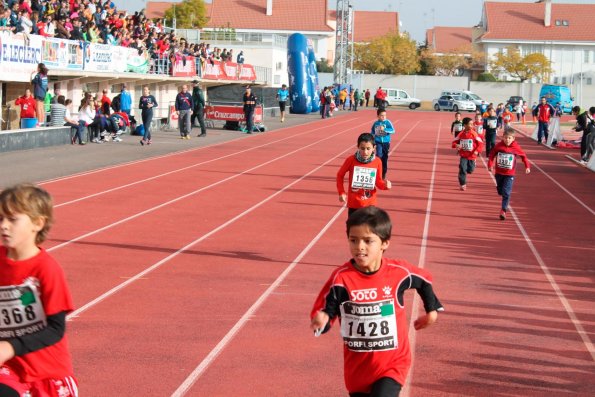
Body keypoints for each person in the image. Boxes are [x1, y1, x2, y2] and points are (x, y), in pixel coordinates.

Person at [310, 206, 443, 397]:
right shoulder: (341, 279)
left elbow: (424, 280)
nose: (359, 247)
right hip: (358, 369)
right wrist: (322, 319)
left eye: (367, 241)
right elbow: (327, 308)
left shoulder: (398, 272)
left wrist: (432, 311)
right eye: (353, 240)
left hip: (392, 364)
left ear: (384, 243)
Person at [0, 184, 78, 397]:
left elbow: (55, 329)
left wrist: (10, 346)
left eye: (13, 220)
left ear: (37, 223)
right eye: (0, 219)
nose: (4, 226)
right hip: (9, 367)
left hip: (46, 371)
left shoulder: (46, 270)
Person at [336, 133, 392, 216]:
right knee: (353, 228)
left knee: (369, 229)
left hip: (370, 204)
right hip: (354, 204)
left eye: (368, 148)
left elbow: (378, 182)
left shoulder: (377, 161)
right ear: (357, 147)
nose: (365, 152)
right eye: (362, 148)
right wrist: (341, 192)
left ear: (374, 148)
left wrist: (386, 186)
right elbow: (340, 175)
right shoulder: (351, 160)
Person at [488, 129, 531, 220]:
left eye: (509, 138)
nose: (507, 140)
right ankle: (501, 191)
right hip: (499, 173)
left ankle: (503, 210)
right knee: (500, 191)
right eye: (505, 138)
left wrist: (527, 166)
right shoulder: (498, 146)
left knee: (506, 192)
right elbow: (492, 155)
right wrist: (490, 165)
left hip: (509, 174)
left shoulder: (516, 147)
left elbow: (523, 156)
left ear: (513, 139)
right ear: (503, 137)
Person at [452, 117, 483, 191]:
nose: (472, 125)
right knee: (462, 169)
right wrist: (456, 145)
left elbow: (481, 143)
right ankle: (463, 184)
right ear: (465, 125)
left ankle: (473, 164)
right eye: (470, 124)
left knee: (470, 170)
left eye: (472, 124)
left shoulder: (474, 134)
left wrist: (477, 151)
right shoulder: (461, 134)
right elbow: (454, 142)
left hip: (472, 155)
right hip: (463, 155)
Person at [370, 108, 395, 180]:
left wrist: (385, 129)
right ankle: (377, 171)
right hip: (378, 142)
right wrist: (371, 137)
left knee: (384, 158)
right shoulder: (376, 123)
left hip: (386, 143)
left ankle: (383, 172)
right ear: (378, 116)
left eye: (385, 115)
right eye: (382, 115)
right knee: (378, 156)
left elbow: (393, 130)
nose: (383, 117)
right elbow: (372, 131)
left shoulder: (387, 122)